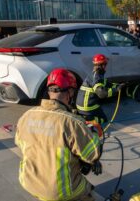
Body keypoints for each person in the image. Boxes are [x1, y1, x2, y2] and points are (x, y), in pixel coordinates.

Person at [15, 68, 101, 201]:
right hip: (60, 191)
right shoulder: (72, 122)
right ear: (70, 92)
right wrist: (93, 133)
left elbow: (20, 143)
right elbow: (93, 154)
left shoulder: (27, 116)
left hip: (29, 182)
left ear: (49, 91)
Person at [77, 54, 125, 124]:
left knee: (100, 112)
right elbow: (102, 94)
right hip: (87, 106)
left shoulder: (96, 73)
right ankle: (86, 121)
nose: (106, 66)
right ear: (103, 65)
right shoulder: (97, 76)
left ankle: (85, 116)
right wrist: (116, 90)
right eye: (106, 64)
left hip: (82, 105)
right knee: (103, 119)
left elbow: (105, 83)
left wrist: (117, 85)